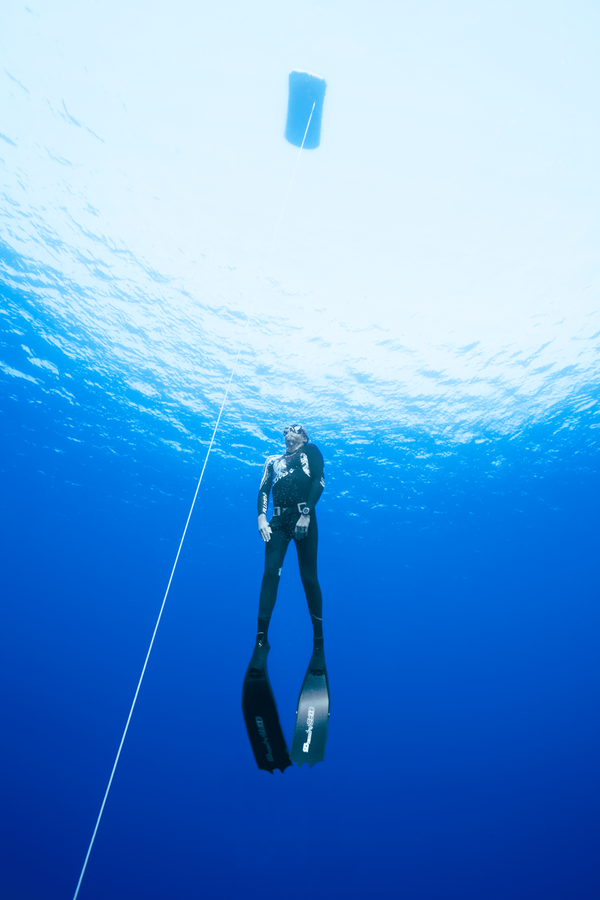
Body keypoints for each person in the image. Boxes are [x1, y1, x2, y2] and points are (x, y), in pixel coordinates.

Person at [254, 424, 325, 651]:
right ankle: (261, 638)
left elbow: (319, 481)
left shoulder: (310, 451)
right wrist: (261, 518)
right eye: (284, 431)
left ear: (304, 436)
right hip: (277, 522)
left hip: (303, 517)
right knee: (270, 574)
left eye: (293, 429)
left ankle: (318, 638)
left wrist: (306, 514)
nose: (287, 433)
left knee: (308, 577)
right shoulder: (272, 460)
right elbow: (264, 490)